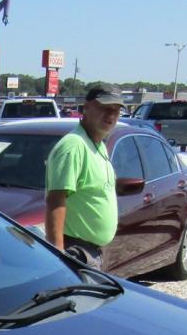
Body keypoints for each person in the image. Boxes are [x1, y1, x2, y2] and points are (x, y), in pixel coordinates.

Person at [43, 83, 125, 266]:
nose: (111, 115)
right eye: (104, 107)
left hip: (90, 251)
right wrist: (58, 256)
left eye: (116, 110)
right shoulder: (74, 146)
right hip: (75, 252)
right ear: (86, 108)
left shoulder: (98, 145)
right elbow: (56, 200)